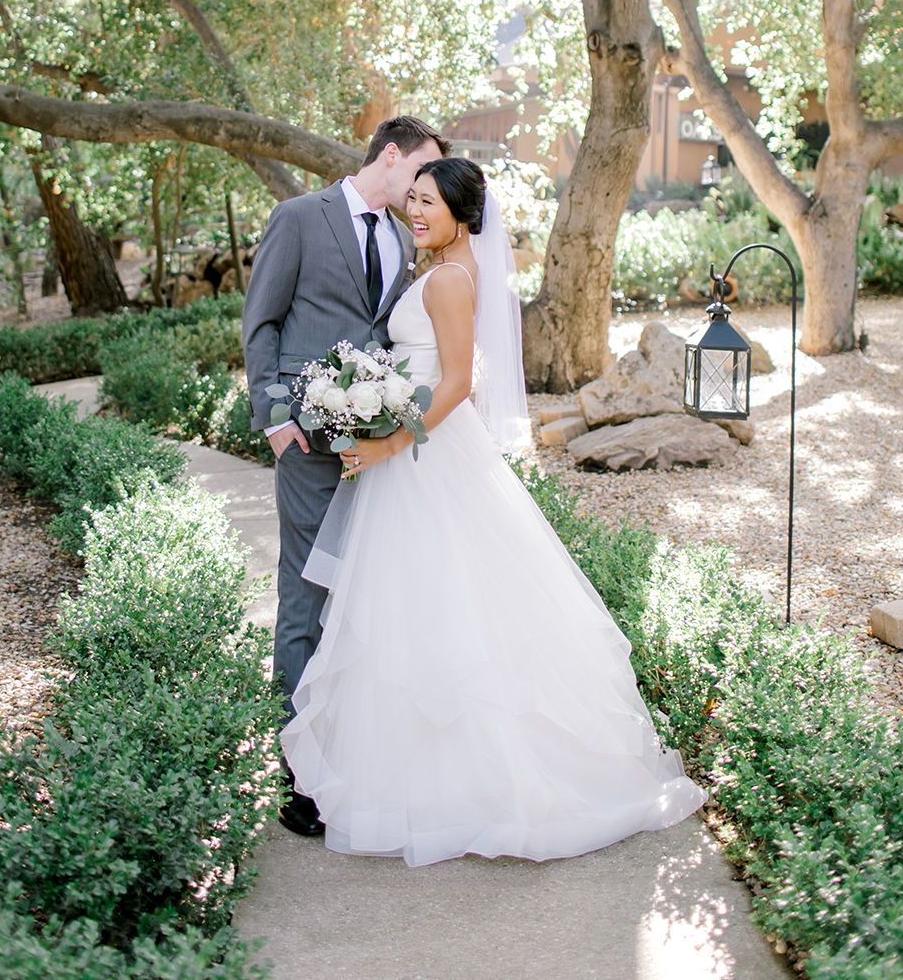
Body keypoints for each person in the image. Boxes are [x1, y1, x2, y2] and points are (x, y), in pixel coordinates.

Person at [281, 157, 706, 866]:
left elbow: (453, 383)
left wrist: (387, 441)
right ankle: (399, 773)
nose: (416, 212)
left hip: (423, 454)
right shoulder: (447, 269)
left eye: (430, 203)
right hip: (418, 449)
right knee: (421, 605)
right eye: (413, 200)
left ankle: (448, 786)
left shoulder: (450, 279)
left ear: (462, 215)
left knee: (429, 604)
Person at [243, 115, 450, 837]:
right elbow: (262, 322)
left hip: (375, 444)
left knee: (365, 597)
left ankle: (352, 758)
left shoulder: (403, 240)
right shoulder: (300, 217)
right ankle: (298, 775)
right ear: (389, 156)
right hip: (306, 440)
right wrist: (274, 418)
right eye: (418, 173)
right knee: (305, 594)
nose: (421, 192)